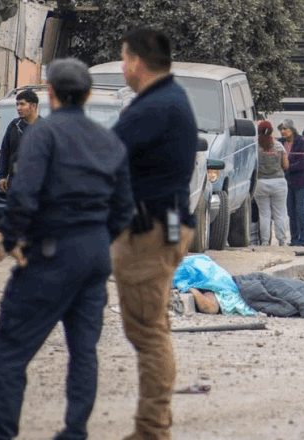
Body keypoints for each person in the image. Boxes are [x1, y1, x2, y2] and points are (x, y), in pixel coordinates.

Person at [0, 59, 133, 440]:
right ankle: (75, 431)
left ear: (50, 94)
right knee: (84, 351)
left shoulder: (43, 136)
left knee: (9, 352)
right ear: (86, 96)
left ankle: (0, 433)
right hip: (94, 256)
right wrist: (100, 240)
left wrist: (12, 241)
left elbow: (24, 193)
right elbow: (124, 210)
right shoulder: (109, 140)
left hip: (49, 255)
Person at [110, 27, 198, 440]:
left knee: (148, 333)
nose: (122, 66)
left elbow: (107, 154)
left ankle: (152, 430)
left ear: (137, 62)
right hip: (163, 225)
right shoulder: (166, 100)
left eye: (124, 58)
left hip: (150, 231)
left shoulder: (155, 107)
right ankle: (154, 426)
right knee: (151, 327)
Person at [252, 120, 290, 246]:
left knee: (264, 215)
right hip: (278, 182)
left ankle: (264, 241)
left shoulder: (255, 147)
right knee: (279, 214)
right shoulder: (279, 146)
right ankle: (282, 241)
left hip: (261, 183)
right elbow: (285, 165)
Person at [0, 88, 41, 194]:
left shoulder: (44, 128)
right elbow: (5, 151)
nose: (18, 108)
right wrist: (3, 176)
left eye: (22, 104)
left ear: (33, 106)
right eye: (17, 104)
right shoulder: (14, 126)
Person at [280, 119, 304, 247]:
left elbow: (302, 163)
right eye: (281, 129)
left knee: (301, 210)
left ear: (292, 129)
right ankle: (294, 239)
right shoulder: (280, 143)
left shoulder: (301, 142)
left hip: (301, 181)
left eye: (285, 129)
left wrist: (287, 167)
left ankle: (303, 239)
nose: (283, 131)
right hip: (288, 181)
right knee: (291, 211)